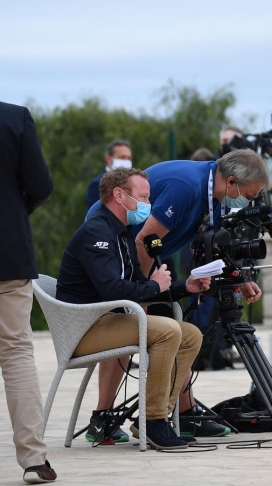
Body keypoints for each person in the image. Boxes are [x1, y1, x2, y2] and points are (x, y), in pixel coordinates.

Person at [87, 148, 270, 437]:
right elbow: (145, 238)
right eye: (249, 195)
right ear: (232, 182)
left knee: (176, 328)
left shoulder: (217, 194)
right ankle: (102, 418)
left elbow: (211, 245)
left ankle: (185, 413)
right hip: (117, 248)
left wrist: (241, 278)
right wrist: (143, 290)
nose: (249, 202)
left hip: (146, 248)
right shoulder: (187, 188)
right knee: (128, 322)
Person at [57, 168, 211, 450]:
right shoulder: (96, 232)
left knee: (190, 335)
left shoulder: (123, 233)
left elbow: (139, 284)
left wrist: (183, 287)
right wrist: (153, 286)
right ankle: (153, 422)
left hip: (106, 321)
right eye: (142, 197)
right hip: (84, 328)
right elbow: (112, 290)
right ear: (119, 195)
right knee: (166, 331)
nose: (149, 205)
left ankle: (156, 417)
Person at [0, 102, 57, 483]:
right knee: (17, 351)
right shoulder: (14, 117)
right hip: (8, 251)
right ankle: (34, 460)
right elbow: (40, 185)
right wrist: (15, 211)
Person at [85, 140, 132, 209]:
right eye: (122, 157)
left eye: (129, 158)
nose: (126, 161)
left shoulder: (131, 182)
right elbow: (93, 214)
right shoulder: (97, 184)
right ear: (108, 159)